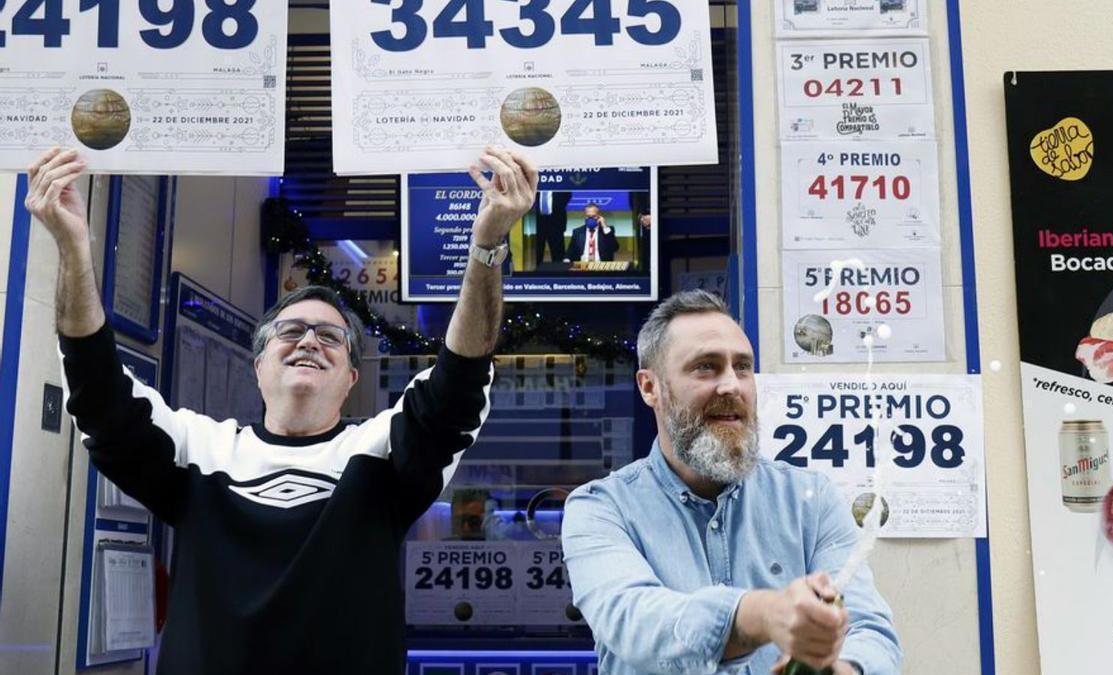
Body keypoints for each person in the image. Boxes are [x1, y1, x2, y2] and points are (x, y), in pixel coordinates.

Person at [30, 145, 538, 674]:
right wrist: (72, 247)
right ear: (258, 366)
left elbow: (459, 382)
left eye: (331, 338)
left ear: (351, 379)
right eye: (290, 332)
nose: (309, 342)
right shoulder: (199, 449)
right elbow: (99, 395)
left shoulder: (382, 453)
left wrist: (485, 245)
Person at [561, 290, 901, 674]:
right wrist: (760, 615)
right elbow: (634, 622)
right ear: (649, 387)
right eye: (706, 367)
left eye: (742, 367)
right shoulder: (600, 508)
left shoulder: (810, 500)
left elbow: (869, 629)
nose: (731, 386)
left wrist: (843, 668)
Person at [535, 188, 571, 264]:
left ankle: (558, 273)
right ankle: (537, 273)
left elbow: (567, 194)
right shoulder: (538, 181)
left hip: (556, 221)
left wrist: (557, 206)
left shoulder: (559, 180)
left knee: (558, 252)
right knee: (538, 251)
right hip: (540, 221)